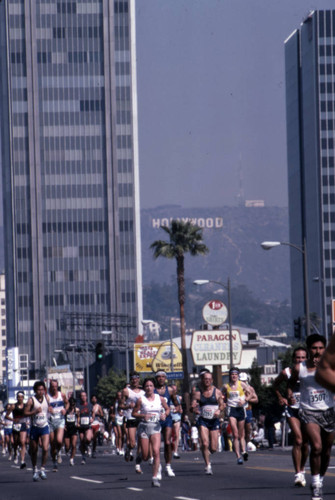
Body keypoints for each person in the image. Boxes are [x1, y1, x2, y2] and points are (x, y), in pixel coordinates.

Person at [289, 334, 335, 500]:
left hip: (328, 411)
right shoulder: (299, 368)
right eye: (314, 348)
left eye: (321, 348)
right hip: (309, 412)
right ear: (309, 350)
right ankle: (315, 483)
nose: (318, 351)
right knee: (316, 447)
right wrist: (288, 394)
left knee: (327, 451)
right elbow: (291, 382)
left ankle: (320, 479)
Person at [273, 346, 309, 487]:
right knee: (298, 440)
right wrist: (281, 397)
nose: (300, 360)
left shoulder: (310, 372)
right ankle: (298, 473)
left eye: (303, 357)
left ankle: (302, 469)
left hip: (307, 410)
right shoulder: (286, 372)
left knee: (305, 444)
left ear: (307, 359)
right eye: (298, 357)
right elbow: (275, 385)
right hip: (292, 409)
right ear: (294, 358)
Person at [132, 377, 170, 487]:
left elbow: (167, 409)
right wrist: (144, 415)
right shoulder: (141, 399)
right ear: (144, 388)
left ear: (154, 387)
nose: (149, 388)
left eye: (151, 386)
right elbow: (134, 413)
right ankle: (140, 457)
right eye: (147, 386)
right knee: (145, 456)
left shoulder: (160, 398)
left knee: (156, 452)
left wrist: (164, 414)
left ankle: (154, 478)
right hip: (144, 428)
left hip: (155, 428)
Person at [191, 369, 225, 475]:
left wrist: (219, 410)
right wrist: (194, 408)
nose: (207, 381)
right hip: (203, 421)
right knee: (205, 443)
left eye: (209, 379)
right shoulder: (198, 392)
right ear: (202, 380)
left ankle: (207, 453)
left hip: (214, 421)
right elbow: (193, 406)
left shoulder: (217, 392)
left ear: (212, 380)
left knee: (214, 448)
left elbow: (222, 405)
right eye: (205, 379)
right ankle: (208, 465)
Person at [154, 370, 181, 477]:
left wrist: (177, 409)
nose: (161, 378)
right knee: (155, 445)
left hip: (167, 418)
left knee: (167, 442)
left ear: (165, 378)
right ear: (156, 379)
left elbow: (176, 403)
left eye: (163, 377)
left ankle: (168, 466)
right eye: (159, 377)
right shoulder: (152, 390)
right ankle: (158, 464)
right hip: (154, 419)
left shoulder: (169, 390)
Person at [222, 367, 251, 465]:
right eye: (232, 374)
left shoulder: (242, 384)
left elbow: (251, 394)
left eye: (235, 374)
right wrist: (222, 401)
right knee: (235, 434)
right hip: (231, 409)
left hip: (240, 409)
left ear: (238, 375)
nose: (234, 376)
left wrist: (245, 400)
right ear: (230, 376)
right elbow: (220, 395)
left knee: (241, 434)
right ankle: (238, 456)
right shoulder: (226, 386)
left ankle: (244, 451)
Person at [24, 380, 50, 481]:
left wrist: (51, 409)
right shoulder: (31, 400)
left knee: (45, 448)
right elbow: (25, 413)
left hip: (44, 426)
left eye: (42, 389)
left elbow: (48, 408)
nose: (40, 391)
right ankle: (35, 469)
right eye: (38, 390)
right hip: (34, 427)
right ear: (35, 390)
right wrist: (34, 411)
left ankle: (42, 469)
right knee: (34, 450)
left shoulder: (46, 398)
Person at [119, 371, 144, 465]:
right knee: (132, 443)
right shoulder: (126, 391)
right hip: (130, 417)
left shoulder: (143, 390)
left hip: (141, 417)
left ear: (139, 379)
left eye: (136, 378)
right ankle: (128, 449)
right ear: (131, 380)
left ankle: (138, 464)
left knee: (141, 441)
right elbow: (120, 406)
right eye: (133, 378)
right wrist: (128, 406)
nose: (135, 380)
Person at [48, 379, 69, 471]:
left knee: (59, 441)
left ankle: (59, 451)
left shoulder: (62, 395)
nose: (54, 388)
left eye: (56, 386)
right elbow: (43, 407)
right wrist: (47, 409)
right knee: (52, 443)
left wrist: (65, 409)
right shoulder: (47, 397)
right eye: (52, 386)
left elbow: (67, 403)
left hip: (60, 420)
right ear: (50, 386)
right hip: (50, 421)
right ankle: (54, 463)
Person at [238, 372, 258, 447]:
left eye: (244, 381)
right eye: (241, 381)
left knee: (248, 427)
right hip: (238, 409)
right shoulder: (236, 388)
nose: (243, 383)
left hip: (247, 409)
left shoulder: (250, 388)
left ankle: (247, 441)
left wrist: (247, 400)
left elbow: (256, 399)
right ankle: (240, 443)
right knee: (240, 428)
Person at [11, 391, 28, 468]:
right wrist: (13, 420)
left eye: (21, 397)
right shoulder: (13, 406)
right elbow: (7, 416)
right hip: (16, 425)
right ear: (17, 398)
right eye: (18, 397)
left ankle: (22, 460)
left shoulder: (26, 406)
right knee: (16, 442)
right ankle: (15, 453)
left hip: (23, 424)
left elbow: (29, 413)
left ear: (23, 398)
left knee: (22, 442)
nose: (20, 398)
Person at [77, 390, 93, 464]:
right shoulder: (78, 405)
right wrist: (77, 422)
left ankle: (88, 445)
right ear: (80, 397)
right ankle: (83, 457)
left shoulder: (89, 405)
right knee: (82, 440)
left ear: (86, 397)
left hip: (88, 425)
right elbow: (76, 415)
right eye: (82, 396)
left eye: (84, 396)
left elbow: (93, 413)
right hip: (81, 425)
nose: (83, 397)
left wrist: (92, 418)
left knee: (88, 438)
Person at [64, 396, 79, 466]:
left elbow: (78, 417)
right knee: (67, 446)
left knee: (74, 445)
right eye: (71, 404)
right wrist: (63, 426)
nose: (72, 406)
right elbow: (63, 418)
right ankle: (67, 450)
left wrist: (78, 423)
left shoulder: (77, 410)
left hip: (74, 428)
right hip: (67, 428)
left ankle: (71, 459)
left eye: (74, 404)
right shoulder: (66, 410)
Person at [170, 384, 182, 458]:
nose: (174, 390)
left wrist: (179, 409)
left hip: (177, 417)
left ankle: (176, 451)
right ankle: (171, 447)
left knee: (177, 434)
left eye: (175, 389)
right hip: (169, 417)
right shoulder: (167, 398)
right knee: (170, 435)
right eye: (172, 389)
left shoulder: (179, 398)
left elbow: (180, 408)